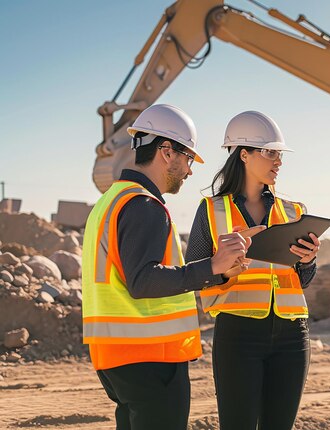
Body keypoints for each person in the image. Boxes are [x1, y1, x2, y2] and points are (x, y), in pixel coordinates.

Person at [82, 104, 259, 430]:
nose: (190, 170)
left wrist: (217, 272)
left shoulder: (110, 201)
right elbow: (143, 281)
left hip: (115, 356)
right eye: (188, 158)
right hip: (149, 357)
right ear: (166, 151)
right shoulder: (144, 206)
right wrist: (213, 265)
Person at [186, 111, 320, 430]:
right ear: (244, 154)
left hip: (292, 336)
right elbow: (193, 273)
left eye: (279, 154)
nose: (278, 161)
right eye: (270, 152)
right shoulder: (211, 210)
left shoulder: (294, 211)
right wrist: (224, 268)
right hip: (238, 336)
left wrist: (309, 260)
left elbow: (301, 280)